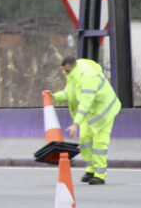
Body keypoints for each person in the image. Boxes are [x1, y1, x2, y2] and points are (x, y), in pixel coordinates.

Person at [49, 56, 121, 185]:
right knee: (85, 141)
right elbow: (70, 92)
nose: (64, 74)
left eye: (66, 71)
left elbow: (85, 102)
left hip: (103, 111)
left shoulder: (89, 76)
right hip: (90, 113)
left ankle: (99, 174)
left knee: (99, 144)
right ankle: (90, 170)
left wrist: (75, 124)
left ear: (71, 67)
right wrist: (54, 97)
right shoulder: (73, 74)